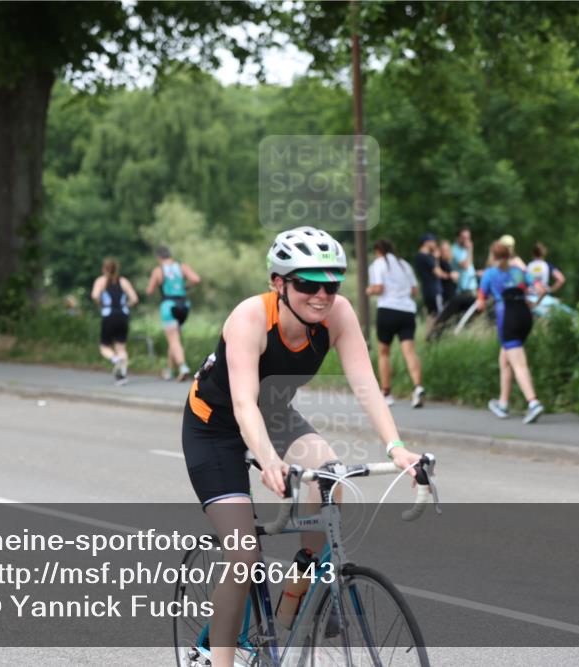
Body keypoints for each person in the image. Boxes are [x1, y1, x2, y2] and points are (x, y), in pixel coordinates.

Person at [182, 226, 422, 667]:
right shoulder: (249, 319)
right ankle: (217, 657)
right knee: (242, 552)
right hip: (214, 427)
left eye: (331, 285)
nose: (321, 295)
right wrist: (270, 462)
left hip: (274, 417)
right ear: (279, 283)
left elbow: (366, 384)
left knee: (330, 481)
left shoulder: (338, 315)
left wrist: (397, 448)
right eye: (307, 284)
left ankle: (293, 600)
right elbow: (241, 403)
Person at [477, 240, 546, 424]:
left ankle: (533, 402)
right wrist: (534, 303)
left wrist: (483, 304)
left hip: (507, 318)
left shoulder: (489, 274)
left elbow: (481, 302)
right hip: (525, 316)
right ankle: (503, 403)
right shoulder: (519, 271)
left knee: (518, 364)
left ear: (493, 256)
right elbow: (541, 289)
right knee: (505, 359)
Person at [367, 240, 426, 408]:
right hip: (407, 311)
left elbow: (379, 288)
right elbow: (414, 291)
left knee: (384, 352)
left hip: (387, 310)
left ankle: (386, 392)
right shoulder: (405, 265)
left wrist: (368, 290)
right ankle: (417, 387)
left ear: (378, 250)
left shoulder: (378, 264)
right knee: (409, 351)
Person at [146, 245, 200, 381]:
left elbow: (149, 290)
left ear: (158, 258)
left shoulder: (159, 270)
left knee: (173, 340)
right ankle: (169, 370)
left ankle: (183, 367)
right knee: (174, 339)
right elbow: (196, 279)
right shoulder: (182, 267)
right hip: (183, 305)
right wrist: (184, 286)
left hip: (168, 305)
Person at [91, 257, 139, 384]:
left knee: (104, 346)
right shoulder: (123, 281)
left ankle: (115, 360)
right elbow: (134, 299)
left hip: (109, 316)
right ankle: (122, 376)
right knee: (121, 347)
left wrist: (101, 303)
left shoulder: (101, 281)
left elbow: (95, 296)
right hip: (123, 316)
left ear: (104, 269)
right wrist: (126, 306)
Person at [413, 233, 452, 330]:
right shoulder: (427, 257)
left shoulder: (418, 257)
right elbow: (438, 273)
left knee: (430, 315)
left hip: (426, 290)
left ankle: (429, 336)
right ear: (427, 243)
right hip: (434, 290)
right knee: (439, 315)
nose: (435, 244)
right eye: (433, 242)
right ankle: (436, 336)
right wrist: (437, 258)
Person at [452, 227, 478, 295]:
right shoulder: (454, 250)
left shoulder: (465, 249)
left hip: (472, 285)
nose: (467, 240)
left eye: (468, 238)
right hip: (463, 287)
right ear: (458, 237)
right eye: (464, 237)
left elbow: (470, 263)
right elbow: (465, 266)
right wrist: (469, 249)